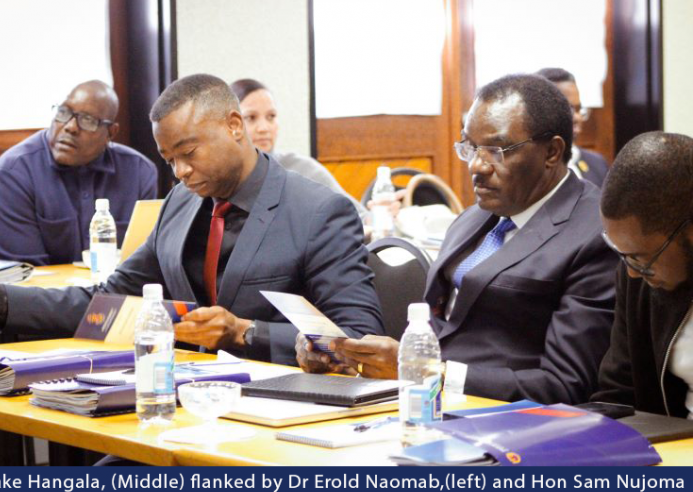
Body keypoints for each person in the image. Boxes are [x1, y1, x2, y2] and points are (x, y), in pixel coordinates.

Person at [0, 74, 383, 365]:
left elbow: (363, 341)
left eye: (188, 154)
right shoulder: (181, 203)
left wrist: (245, 333)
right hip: (182, 404)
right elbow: (106, 302)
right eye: (169, 159)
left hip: (280, 417)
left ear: (234, 126)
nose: (180, 172)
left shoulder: (319, 211)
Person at [298, 74, 617, 404]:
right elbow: (439, 334)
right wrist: (352, 358)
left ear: (552, 151)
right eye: (470, 147)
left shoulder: (593, 235)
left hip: (514, 424)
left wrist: (432, 372)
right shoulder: (473, 219)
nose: (477, 165)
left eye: (497, 150)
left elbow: (564, 385)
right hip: (427, 402)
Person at [0, 80, 158, 266]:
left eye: (88, 120)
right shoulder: (13, 173)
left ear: (111, 132)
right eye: (63, 112)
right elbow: (25, 274)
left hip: (116, 291)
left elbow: (142, 262)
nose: (70, 127)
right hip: (37, 292)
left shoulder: (139, 172)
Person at [592, 131, 693, 418]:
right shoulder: (640, 278)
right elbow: (618, 393)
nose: (633, 273)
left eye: (640, 259)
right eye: (622, 254)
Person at [230, 78, 366, 215]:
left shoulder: (302, 168)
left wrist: (382, 212)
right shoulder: (220, 179)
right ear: (231, 125)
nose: (264, 128)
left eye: (271, 117)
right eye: (251, 118)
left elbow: (358, 215)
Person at [536, 68, 609, 188]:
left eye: (579, 109)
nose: (577, 118)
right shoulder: (527, 168)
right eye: (568, 109)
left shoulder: (597, 164)